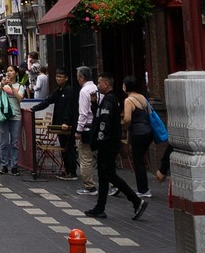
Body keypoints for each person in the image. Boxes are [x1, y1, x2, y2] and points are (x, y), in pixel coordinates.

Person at [85, 72, 147, 222]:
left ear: (106, 84)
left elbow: (104, 123)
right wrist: (94, 104)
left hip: (107, 144)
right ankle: (100, 207)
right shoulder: (108, 100)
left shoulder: (109, 100)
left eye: (99, 83)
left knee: (110, 175)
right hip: (109, 143)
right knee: (104, 176)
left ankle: (136, 201)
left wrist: (100, 141)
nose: (98, 86)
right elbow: (100, 117)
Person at [121, 76, 153, 199]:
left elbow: (128, 118)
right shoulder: (143, 98)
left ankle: (143, 189)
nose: (122, 87)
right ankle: (144, 187)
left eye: (124, 85)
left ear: (127, 86)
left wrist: (126, 127)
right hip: (148, 132)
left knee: (138, 161)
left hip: (138, 133)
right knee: (141, 160)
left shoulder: (129, 100)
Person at [50, 69, 80, 179]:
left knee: (69, 147)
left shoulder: (69, 91)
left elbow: (69, 108)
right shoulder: (58, 90)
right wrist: (34, 108)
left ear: (66, 78)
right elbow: (49, 100)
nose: (58, 79)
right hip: (59, 124)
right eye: (57, 76)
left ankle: (72, 171)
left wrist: (66, 122)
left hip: (67, 125)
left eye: (61, 77)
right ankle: (67, 170)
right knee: (63, 147)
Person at [0, 71, 22, 176]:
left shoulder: (19, 86)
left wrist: (12, 87)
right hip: (3, 116)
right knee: (4, 142)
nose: (9, 73)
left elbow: (20, 98)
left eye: (12, 71)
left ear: (15, 73)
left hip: (16, 116)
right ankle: (4, 165)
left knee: (15, 142)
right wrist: (2, 85)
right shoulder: (1, 85)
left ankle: (14, 166)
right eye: (8, 71)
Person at [75, 65, 99, 193]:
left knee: (85, 158)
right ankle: (113, 183)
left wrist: (78, 130)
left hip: (87, 128)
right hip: (97, 127)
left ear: (81, 77)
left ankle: (89, 185)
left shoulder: (84, 91)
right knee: (100, 157)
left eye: (78, 76)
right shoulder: (96, 88)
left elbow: (83, 113)